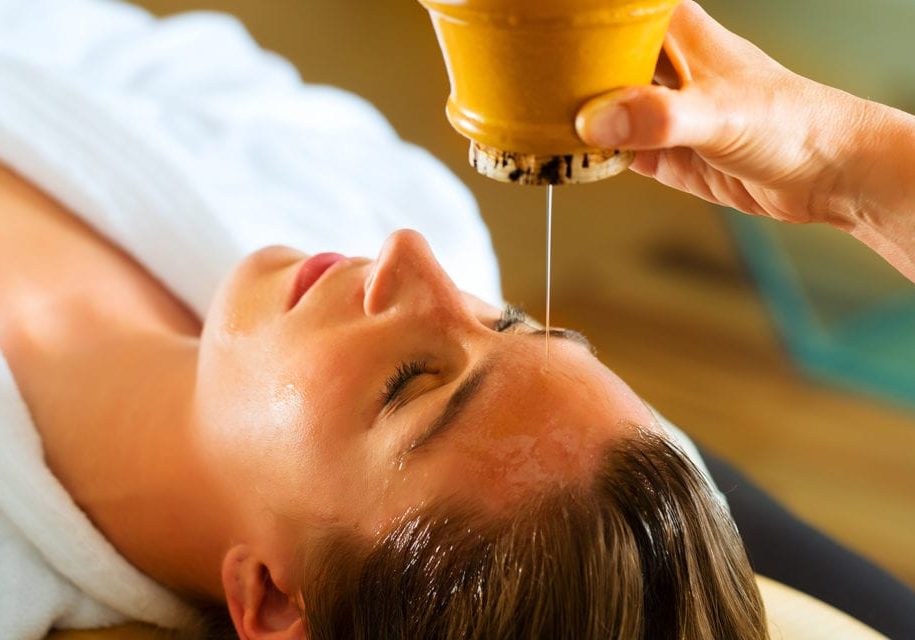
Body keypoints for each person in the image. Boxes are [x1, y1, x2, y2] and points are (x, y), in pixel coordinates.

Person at [0, 2, 911, 640]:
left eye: (409, 385)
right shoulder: (368, 193)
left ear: (275, 599)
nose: (411, 258)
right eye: (510, 322)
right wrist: (852, 167)